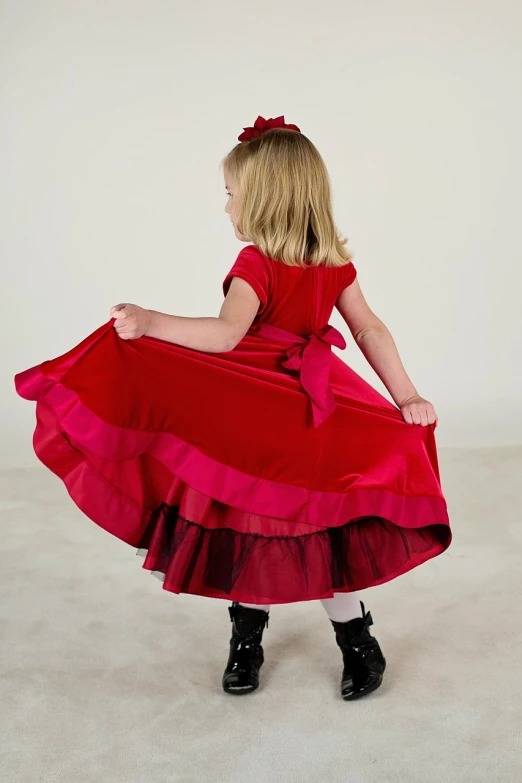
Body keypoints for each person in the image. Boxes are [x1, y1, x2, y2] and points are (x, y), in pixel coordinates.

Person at [15, 114, 451, 701]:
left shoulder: (297, 265)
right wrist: (405, 396)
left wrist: (407, 399)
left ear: (264, 200)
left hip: (307, 411)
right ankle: (247, 639)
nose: (225, 208)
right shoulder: (284, 264)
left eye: (231, 194)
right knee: (259, 520)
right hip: (256, 409)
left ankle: (355, 638)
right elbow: (346, 331)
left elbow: (237, 334)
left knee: (309, 522)